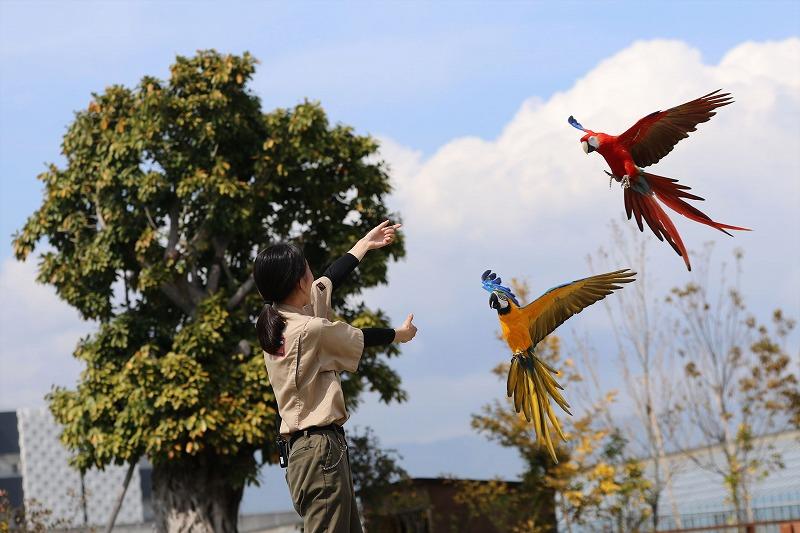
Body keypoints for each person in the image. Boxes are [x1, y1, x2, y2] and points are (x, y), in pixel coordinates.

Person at [253, 221, 417, 533]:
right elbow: (359, 336)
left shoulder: (281, 323)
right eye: (308, 269)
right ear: (300, 281)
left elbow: (329, 279)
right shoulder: (310, 330)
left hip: (310, 450)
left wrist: (364, 245)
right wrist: (400, 334)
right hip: (319, 449)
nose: (313, 275)